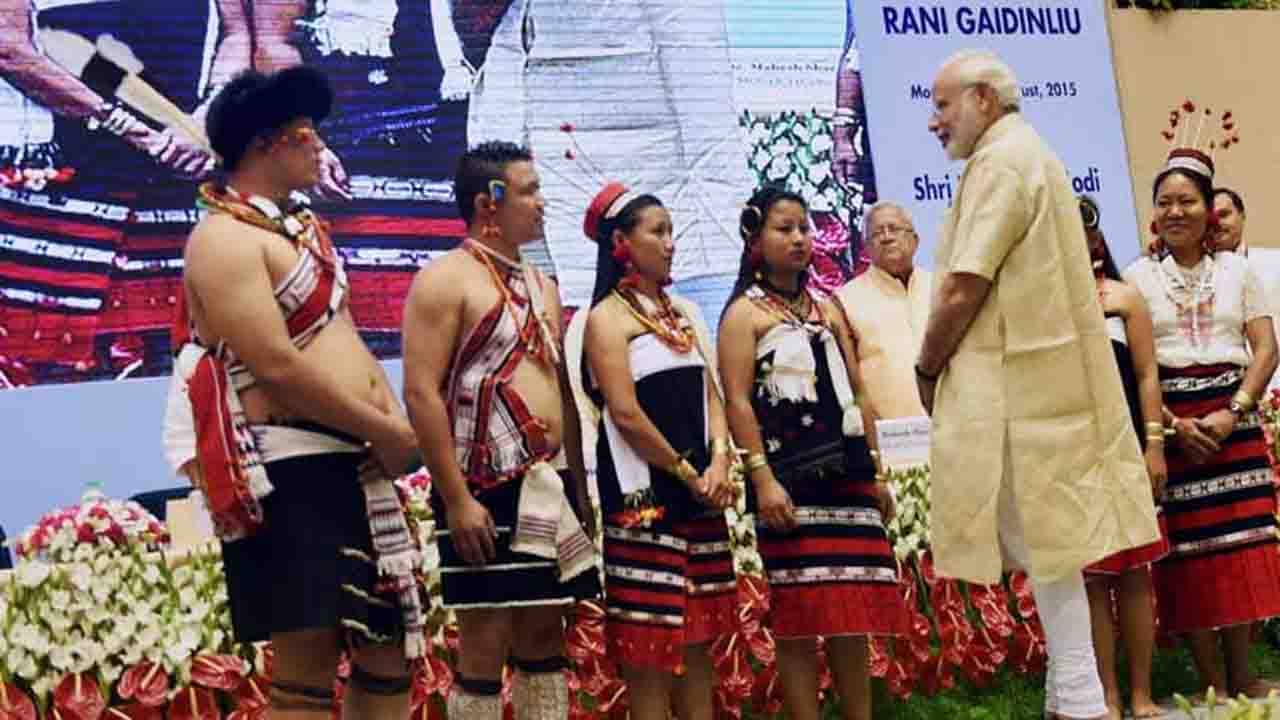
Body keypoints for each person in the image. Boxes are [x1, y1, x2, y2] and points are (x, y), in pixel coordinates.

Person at [174, 66, 424, 720]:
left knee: (387, 655)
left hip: (359, 462)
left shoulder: (306, 233)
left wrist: (392, 424)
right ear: (265, 143)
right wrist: (384, 428)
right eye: (307, 134)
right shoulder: (220, 239)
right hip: (292, 468)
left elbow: (346, 339)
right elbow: (275, 365)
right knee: (305, 672)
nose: (321, 148)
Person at [917, 50, 1159, 720]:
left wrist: (927, 367)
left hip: (1019, 398)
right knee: (1050, 550)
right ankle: (1070, 698)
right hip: (1036, 394)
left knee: (1049, 549)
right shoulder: (1023, 155)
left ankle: (1080, 702)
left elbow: (964, 284)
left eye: (942, 105)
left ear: (984, 99)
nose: (934, 122)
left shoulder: (1003, 160)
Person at [401, 141, 598, 720]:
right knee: (484, 642)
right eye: (529, 191)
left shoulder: (542, 284)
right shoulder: (444, 280)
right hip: (481, 487)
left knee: (544, 636)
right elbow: (421, 393)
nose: (542, 202)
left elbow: (562, 389)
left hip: (547, 483)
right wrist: (457, 498)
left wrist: (578, 488)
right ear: (489, 202)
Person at [718, 185, 903, 720]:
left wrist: (878, 472)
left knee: (853, 613)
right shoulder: (743, 316)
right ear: (754, 237)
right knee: (799, 620)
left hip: (850, 477)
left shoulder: (827, 309)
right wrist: (763, 480)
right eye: (784, 229)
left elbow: (858, 392)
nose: (799, 238)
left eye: (804, 228)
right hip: (789, 486)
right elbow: (736, 401)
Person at [1124, 143, 1280, 699]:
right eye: (1164, 202)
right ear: (1153, 213)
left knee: (1239, 546)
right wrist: (1171, 425)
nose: (1175, 212)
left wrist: (1233, 412)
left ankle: (1242, 672)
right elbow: (1135, 365)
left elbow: (1266, 348)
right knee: (1190, 555)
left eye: (1187, 201)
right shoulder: (1137, 277)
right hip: (1171, 426)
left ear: (1208, 209)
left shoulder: (1239, 270)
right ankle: (1211, 680)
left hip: (1233, 422)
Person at [576, 182, 737, 720]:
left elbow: (710, 392)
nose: (671, 243)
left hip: (701, 492)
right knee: (649, 650)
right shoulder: (605, 319)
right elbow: (624, 413)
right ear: (621, 243)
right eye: (658, 232)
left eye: (672, 231)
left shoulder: (679, 313)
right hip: (646, 497)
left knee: (697, 643)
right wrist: (689, 472)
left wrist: (719, 460)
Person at [1077, 195, 1170, 720]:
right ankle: (1106, 696)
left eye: (1084, 233)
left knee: (1135, 576)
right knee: (1093, 580)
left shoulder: (1124, 298)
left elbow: (1147, 375)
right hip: (1073, 456)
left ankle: (1141, 693)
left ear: (1096, 240)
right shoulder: (1042, 303)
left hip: (1128, 449)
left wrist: (1154, 445)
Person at [834, 202, 932, 420]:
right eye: (877, 233)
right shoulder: (845, 300)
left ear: (915, 240)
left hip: (949, 422)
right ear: (866, 248)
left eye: (894, 229)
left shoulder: (940, 286)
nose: (887, 237)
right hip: (890, 431)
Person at [1213, 187, 1247, 254]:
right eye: (1210, 218)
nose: (1217, 222)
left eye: (1223, 214)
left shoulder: (1267, 258)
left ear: (1242, 216)